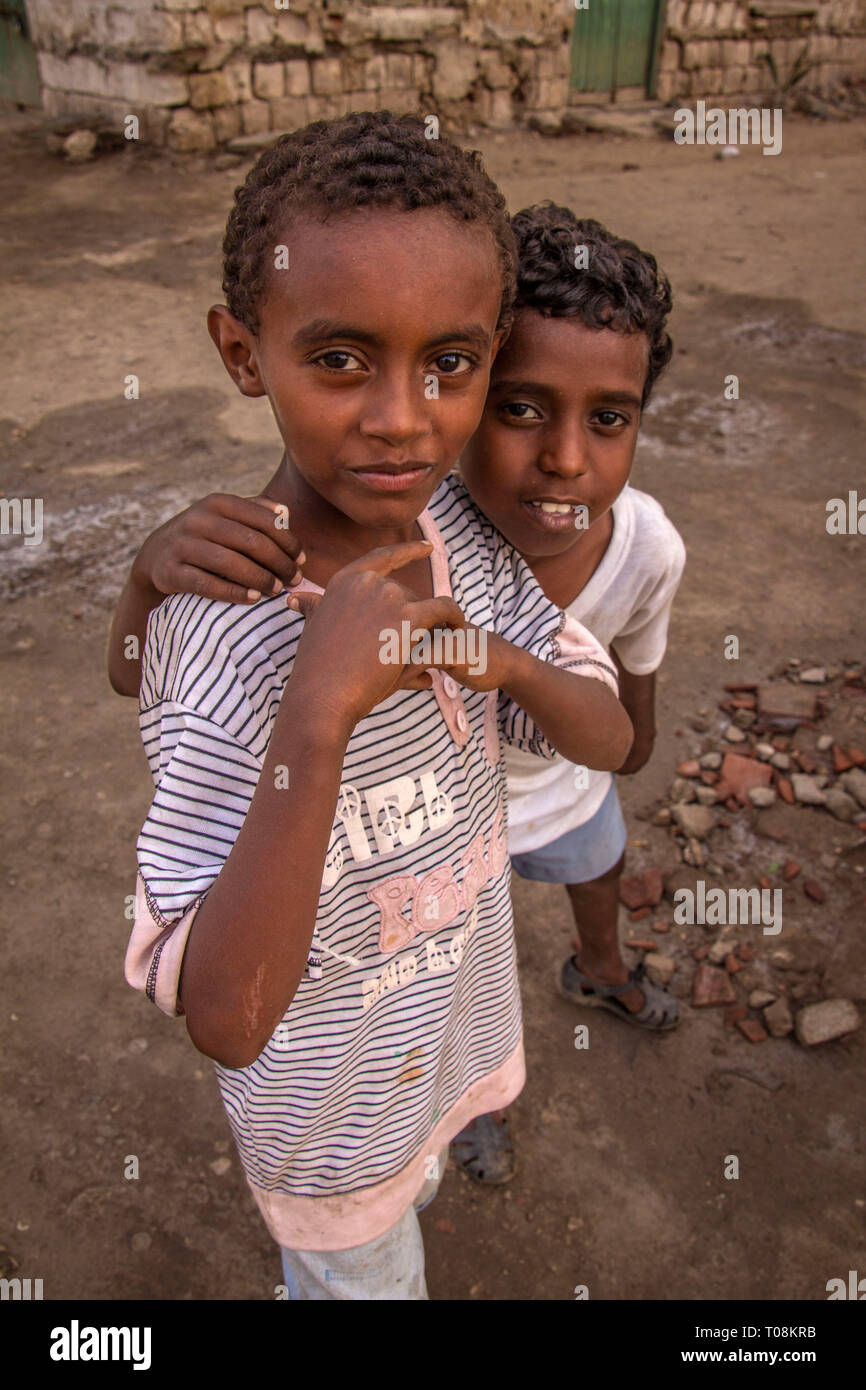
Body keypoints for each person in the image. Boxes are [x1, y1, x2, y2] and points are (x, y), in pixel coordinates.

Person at [110, 113, 632, 1299]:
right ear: (244, 354)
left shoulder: (456, 535)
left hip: (440, 1044)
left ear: (488, 355)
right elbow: (226, 1018)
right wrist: (316, 713)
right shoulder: (224, 643)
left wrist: (497, 661)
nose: (403, 417)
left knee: (423, 1189)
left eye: (448, 363)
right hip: (328, 1124)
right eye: (340, 359)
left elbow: (608, 739)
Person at [451, 205, 685, 1182]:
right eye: (519, 407)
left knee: (600, 862)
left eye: (607, 418)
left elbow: (635, 688)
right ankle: (464, 1092)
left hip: (567, 778)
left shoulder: (645, 547)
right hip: (444, 817)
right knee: (456, 953)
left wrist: (626, 748)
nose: (564, 458)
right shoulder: (414, 532)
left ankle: (598, 968)